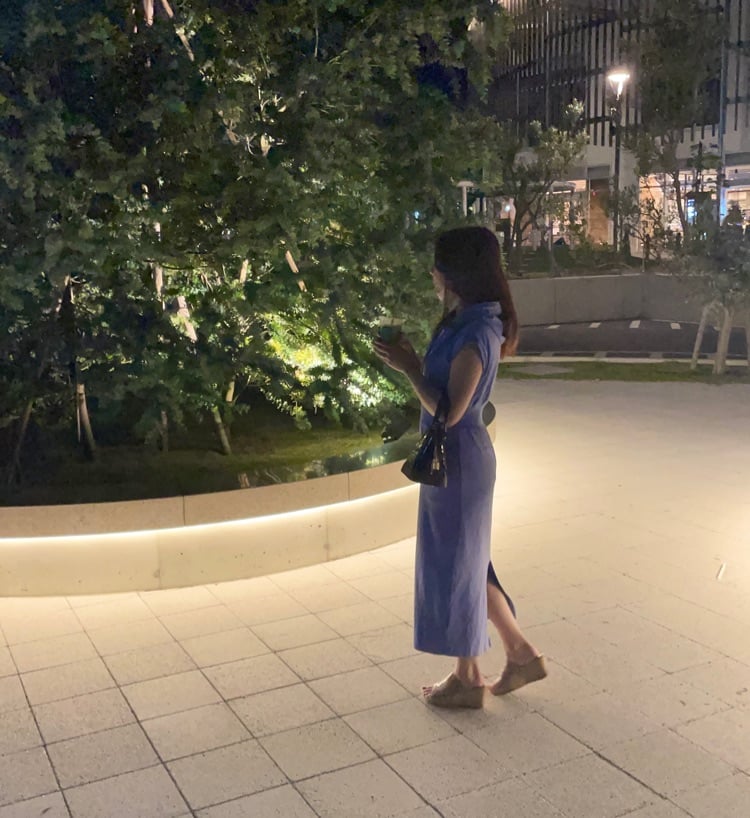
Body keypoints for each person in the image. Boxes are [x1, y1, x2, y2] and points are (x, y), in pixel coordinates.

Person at [374, 226, 546, 709]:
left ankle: (470, 678)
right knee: (467, 561)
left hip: (459, 460)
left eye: (438, 266)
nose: (432, 274)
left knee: (459, 563)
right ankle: (519, 654)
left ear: (455, 273)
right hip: (455, 459)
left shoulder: (476, 333)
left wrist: (409, 367)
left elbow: (450, 412)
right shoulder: (465, 321)